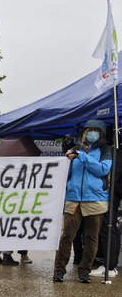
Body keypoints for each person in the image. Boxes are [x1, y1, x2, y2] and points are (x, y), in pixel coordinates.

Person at [52, 119, 112, 283]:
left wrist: (83, 157)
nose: (92, 133)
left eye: (95, 130)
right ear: (84, 132)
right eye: (89, 130)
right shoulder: (76, 149)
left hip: (95, 201)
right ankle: (59, 270)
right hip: (73, 199)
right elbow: (66, 174)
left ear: (101, 133)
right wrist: (68, 160)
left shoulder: (105, 149)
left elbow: (103, 169)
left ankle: (84, 271)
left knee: (91, 239)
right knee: (66, 237)